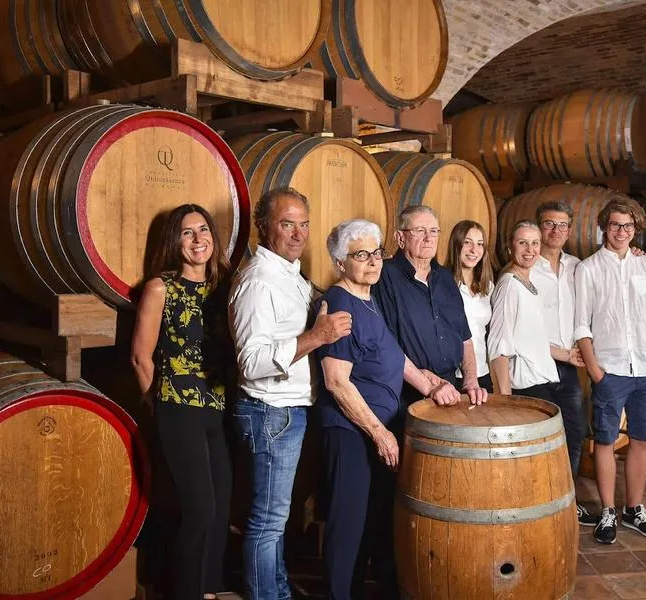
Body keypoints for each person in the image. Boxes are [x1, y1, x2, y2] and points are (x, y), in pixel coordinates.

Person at [315, 219, 459, 600]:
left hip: (377, 427)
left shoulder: (369, 299)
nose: (372, 261)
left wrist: (432, 385)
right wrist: (379, 432)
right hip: (350, 431)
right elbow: (336, 381)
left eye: (376, 253)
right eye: (360, 254)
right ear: (340, 261)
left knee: (372, 522)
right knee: (347, 525)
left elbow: (396, 357)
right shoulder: (341, 304)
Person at [228, 187, 353, 600]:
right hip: (270, 411)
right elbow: (252, 361)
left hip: (288, 411)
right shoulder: (258, 282)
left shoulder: (289, 274)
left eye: (304, 224)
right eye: (287, 224)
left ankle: (277, 590)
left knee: (277, 518)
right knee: (267, 520)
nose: (298, 234)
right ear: (264, 227)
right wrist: (316, 337)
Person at [130, 204, 234, 600]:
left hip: (217, 407)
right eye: (188, 233)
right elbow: (141, 356)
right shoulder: (162, 287)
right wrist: (160, 404)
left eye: (203, 230)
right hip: (178, 407)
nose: (198, 240)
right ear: (175, 240)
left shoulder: (223, 285)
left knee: (221, 508)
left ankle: (210, 590)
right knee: (199, 510)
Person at [574, 195, 646, 545]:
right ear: (603, 226)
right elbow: (581, 326)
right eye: (615, 225)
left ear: (635, 229)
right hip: (610, 370)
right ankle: (608, 512)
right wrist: (597, 373)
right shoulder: (588, 269)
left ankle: (634, 509)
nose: (621, 232)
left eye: (628, 226)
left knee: (643, 441)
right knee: (605, 442)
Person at [371, 205, 487, 407]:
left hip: (450, 389)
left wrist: (470, 381)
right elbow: (386, 345)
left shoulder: (445, 278)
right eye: (419, 231)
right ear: (400, 238)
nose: (428, 238)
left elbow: (465, 338)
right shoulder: (385, 276)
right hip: (406, 390)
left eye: (433, 231)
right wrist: (427, 385)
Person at [532, 201, 597, 526]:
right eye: (548, 224)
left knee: (573, 432)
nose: (555, 231)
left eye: (561, 225)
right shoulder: (526, 266)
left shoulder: (578, 267)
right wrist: (559, 352)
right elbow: (522, 328)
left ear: (570, 231)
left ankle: (565, 500)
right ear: (538, 226)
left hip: (569, 367)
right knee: (539, 438)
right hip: (534, 365)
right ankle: (539, 504)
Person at [488, 220, 577, 402]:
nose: (530, 249)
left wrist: (566, 355)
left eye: (535, 243)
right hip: (525, 384)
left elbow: (532, 339)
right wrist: (505, 401)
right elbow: (499, 346)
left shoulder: (529, 284)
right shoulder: (509, 285)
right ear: (510, 247)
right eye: (522, 243)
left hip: (541, 378)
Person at [445, 220, 494, 392]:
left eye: (480, 244)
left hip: (482, 373)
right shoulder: (443, 284)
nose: (474, 250)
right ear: (456, 244)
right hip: (453, 376)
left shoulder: (487, 287)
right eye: (467, 243)